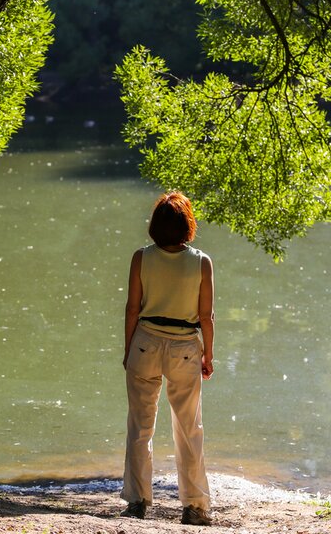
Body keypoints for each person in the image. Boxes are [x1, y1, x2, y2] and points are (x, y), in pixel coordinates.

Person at [120, 191, 215, 526]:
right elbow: (206, 316)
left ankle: (136, 501)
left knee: (140, 426)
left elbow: (133, 308)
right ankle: (194, 506)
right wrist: (210, 355)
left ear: (155, 226)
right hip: (185, 346)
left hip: (145, 343)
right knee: (189, 429)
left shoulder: (141, 258)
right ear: (187, 225)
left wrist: (128, 348)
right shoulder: (202, 262)